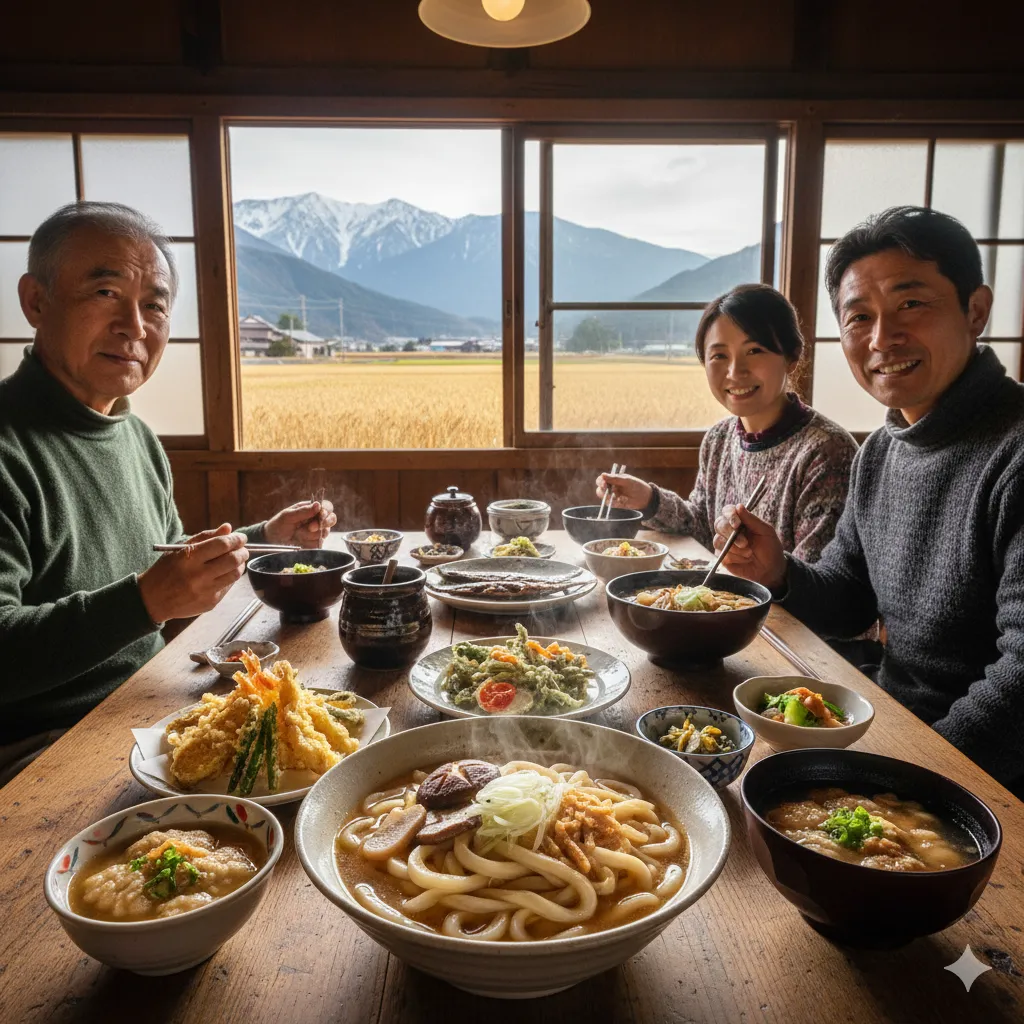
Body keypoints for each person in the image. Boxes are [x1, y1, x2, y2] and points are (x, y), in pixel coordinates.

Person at [0, 202, 339, 778]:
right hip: (44, 749)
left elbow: (165, 565)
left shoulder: (134, 436)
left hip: (146, 708)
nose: (135, 327)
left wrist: (267, 538)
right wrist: (145, 603)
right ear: (36, 300)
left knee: (338, 757)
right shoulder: (11, 446)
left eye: (154, 305)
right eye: (106, 293)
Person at [713, 206, 1024, 792]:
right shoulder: (881, 451)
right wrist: (778, 570)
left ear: (975, 310)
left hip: (984, 777)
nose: (883, 338)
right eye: (859, 317)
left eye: (912, 304)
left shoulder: (1014, 450)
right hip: (896, 727)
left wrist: (909, 787)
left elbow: (1022, 678)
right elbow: (849, 600)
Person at [596, 284, 857, 563]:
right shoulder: (719, 438)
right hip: (726, 599)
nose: (735, 372)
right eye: (719, 356)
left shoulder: (826, 452)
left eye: (754, 350)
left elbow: (819, 579)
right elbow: (701, 526)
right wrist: (648, 500)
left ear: (791, 357)